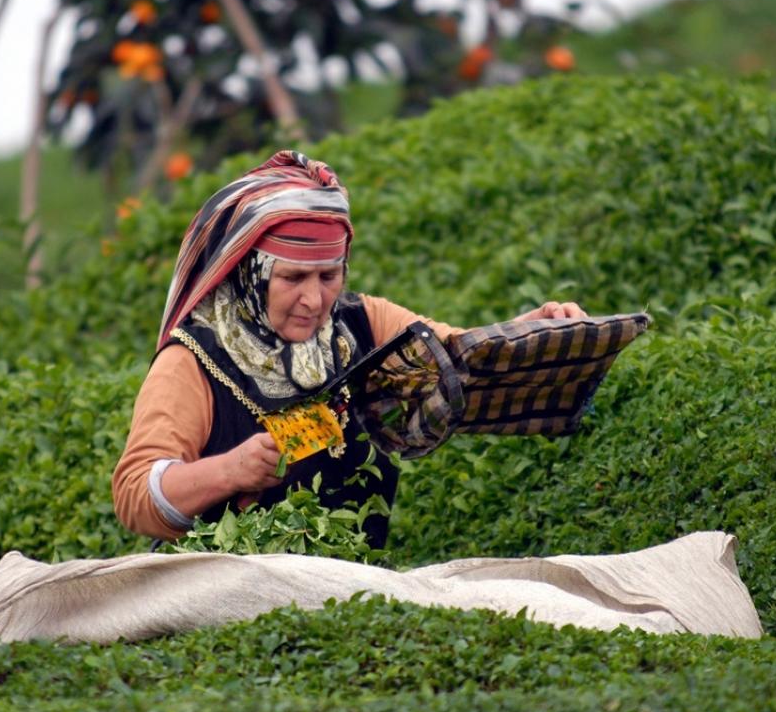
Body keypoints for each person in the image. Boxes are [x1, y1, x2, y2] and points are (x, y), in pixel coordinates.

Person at [111, 151, 585, 548]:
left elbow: (458, 357)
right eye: (292, 278)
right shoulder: (192, 360)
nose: (314, 300)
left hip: (348, 595)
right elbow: (135, 495)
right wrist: (230, 471)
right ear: (248, 274)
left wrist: (533, 330)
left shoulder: (365, 325)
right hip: (223, 598)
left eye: (328, 276)